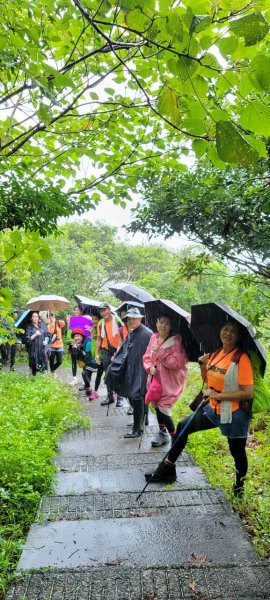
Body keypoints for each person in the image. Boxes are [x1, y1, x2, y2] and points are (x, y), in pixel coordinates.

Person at [145, 320, 254, 497]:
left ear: (238, 336)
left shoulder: (241, 358)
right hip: (212, 408)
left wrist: (219, 396)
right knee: (182, 427)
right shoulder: (217, 353)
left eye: (232, 331)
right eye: (225, 329)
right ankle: (168, 468)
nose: (227, 333)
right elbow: (209, 380)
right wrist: (204, 364)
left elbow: (247, 393)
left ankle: (240, 484)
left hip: (234, 413)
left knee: (237, 451)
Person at [143, 315, 188, 447]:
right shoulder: (154, 337)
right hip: (155, 379)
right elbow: (146, 356)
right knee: (157, 404)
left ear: (171, 326)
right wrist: (149, 367)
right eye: (160, 322)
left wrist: (160, 353)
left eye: (166, 323)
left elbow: (177, 362)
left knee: (164, 407)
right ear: (156, 324)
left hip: (169, 381)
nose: (162, 325)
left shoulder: (176, 341)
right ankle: (162, 433)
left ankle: (175, 438)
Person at [106, 307, 152, 437]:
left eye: (134, 318)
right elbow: (125, 349)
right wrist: (117, 358)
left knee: (137, 396)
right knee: (133, 394)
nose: (132, 321)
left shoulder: (147, 333)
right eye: (129, 318)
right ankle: (142, 421)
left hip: (141, 370)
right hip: (132, 368)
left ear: (140, 318)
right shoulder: (132, 332)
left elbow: (151, 353)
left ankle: (138, 429)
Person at [95, 302, 124, 407]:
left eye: (105, 310)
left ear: (109, 309)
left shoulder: (117, 320)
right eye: (101, 311)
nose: (103, 312)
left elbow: (122, 336)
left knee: (118, 373)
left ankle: (120, 397)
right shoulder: (100, 323)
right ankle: (110, 396)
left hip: (118, 350)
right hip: (106, 350)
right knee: (108, 374)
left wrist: (118, 351)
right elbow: (99, 338)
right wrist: (97, 354)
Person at [68, 327, 98, 398]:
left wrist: (79, 349)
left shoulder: (88, 342)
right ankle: (87, 387)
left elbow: (87, 357)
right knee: (86, 375)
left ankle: (89, 389)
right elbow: (76, 357)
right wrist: (75, 349)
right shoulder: (77, 344)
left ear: (82, 336)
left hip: (92, 362)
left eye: (78, 336)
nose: (76, 338)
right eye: (75, 336)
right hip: (86, 362)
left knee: (84, 374)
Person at [85, 313, 104, 400]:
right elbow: (93, 342)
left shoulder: (102, 328)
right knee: (94, 373)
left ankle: (112, 393)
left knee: (103, 375)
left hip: (103, 355)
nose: (93, 321)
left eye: (95, 319)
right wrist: (92, 333)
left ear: (99, 320)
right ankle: (93, 390)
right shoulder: (94, 329)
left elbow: (101, 341)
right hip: (96, 355)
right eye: (92, 319)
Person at [66, 304, 84, 386]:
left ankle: (85, 378)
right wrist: (68, 323)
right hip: (73, 343)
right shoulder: (72, 319)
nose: (76, 311)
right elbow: (69, 332)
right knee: (73, 361)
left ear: (81, 311)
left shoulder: (84, 319)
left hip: (81, 344)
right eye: (75, 310)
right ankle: (74, 379)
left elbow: (85, 333)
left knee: (83, 361)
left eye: (78, 310)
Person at [48, 312, 65, 377]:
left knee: (59, 361)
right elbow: (47, 334)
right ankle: (53, 372)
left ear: (54, 315)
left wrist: (55, 320)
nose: (50, 316)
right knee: (51, 360)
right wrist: (48, 324)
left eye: (52, 315)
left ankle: (52, 370)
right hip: (51, 344)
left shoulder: (58, 322)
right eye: (49, 316)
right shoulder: (47, 324)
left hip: (59, 344)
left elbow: (64, 323)